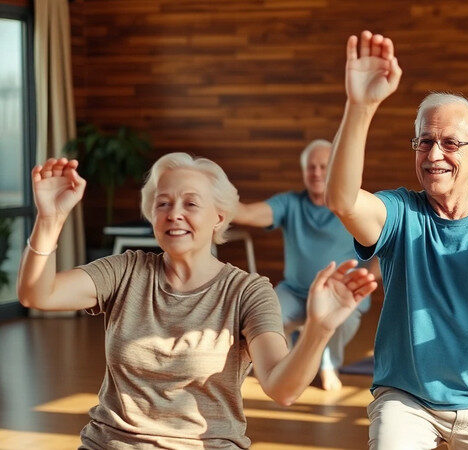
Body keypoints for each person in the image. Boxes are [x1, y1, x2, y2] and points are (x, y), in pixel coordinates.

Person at [17, 153, 377, 449]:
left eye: (191, 203)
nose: (174, 213)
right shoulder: (125, 270)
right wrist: (50, 218)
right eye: (163, 203)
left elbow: (282, 389)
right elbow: (37, 293)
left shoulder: (248, 292)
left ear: (219, 217)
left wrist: (318, 328)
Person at [326, 31, 468, 449]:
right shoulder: (401, 211)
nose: (433, 155)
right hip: (407, 400)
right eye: (424, 142)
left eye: (450, 143)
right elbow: (342, 200)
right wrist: (360, 106)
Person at [232, 138, 375, 391]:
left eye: (323, 166)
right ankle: (275, 359)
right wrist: (216, 200)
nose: (317, 172)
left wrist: (368, 278)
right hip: (296, 292)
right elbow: (248, 213)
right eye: (311, 167)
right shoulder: (290, 203)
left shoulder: (355, 205)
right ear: (304, 172)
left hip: (340, 295)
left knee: (343, 320)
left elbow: (385, 249)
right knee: (259, 315)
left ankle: (328, 364)